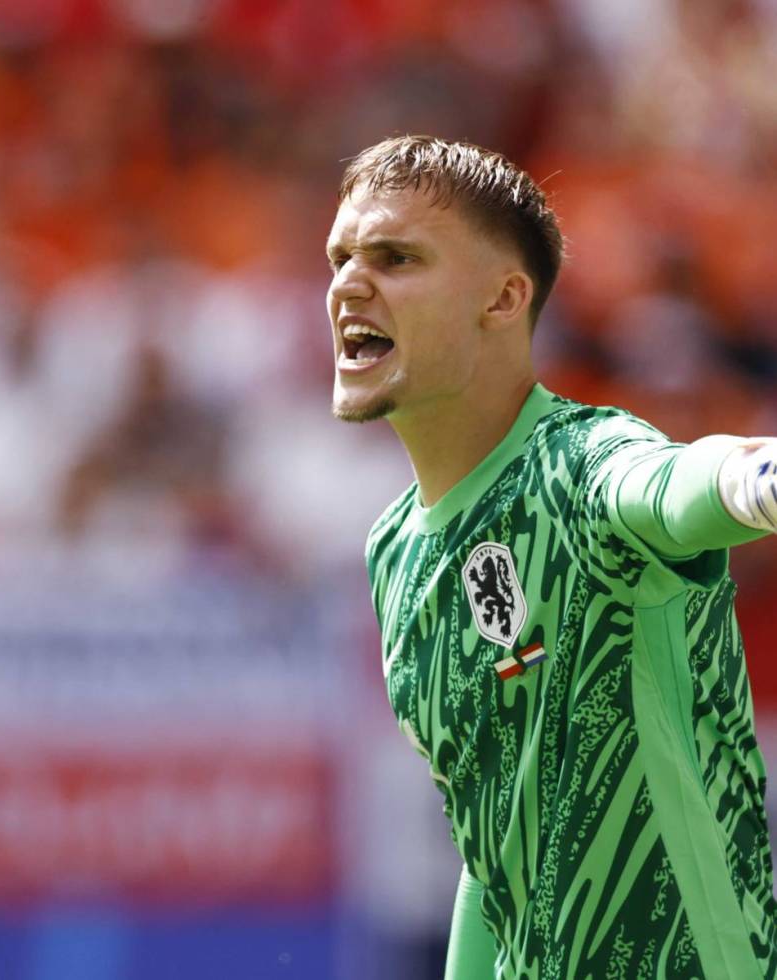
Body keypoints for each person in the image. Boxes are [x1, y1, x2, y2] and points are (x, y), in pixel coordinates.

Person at [326, 135, 777, 979]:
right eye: (340, 258)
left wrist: (755, 479)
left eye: (396, 258)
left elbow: (677, 484)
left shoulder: (581, 465)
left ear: (503, 298)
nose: (348, 283)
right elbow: (497, 844)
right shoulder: (394, 551)